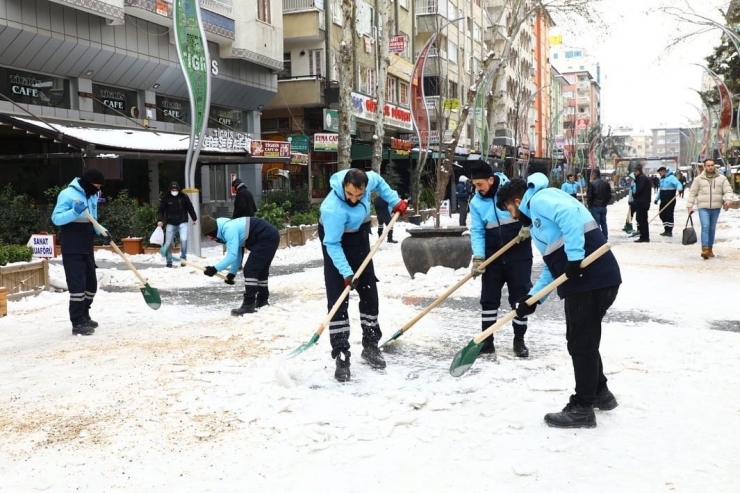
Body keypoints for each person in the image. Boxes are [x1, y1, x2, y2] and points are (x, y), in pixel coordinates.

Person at [496, 174, 622, 429]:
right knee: (583, 339)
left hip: (591, 278)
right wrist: (533, 299)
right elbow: (552, 267)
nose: (512, 216)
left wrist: (575, 256)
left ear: (518, 201)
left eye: (510, 209)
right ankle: (600, 393)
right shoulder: (538, 222)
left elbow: (569, 216)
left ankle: (583, 408)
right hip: (591, 280)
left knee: (581, 343)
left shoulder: (541, 199)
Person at [319, 168, 406, 382]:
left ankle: (370, 345)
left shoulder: (370, 180)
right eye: (350, 194)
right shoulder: (333, 209)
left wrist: (394, 201)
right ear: (343, 187)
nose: (354, 199)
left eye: (359, 195)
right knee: (338, 299)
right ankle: (341, 354)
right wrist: (346, 273)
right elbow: (332, 244)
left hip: (359, 237)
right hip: (335, 243)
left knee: (369, 294)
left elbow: (382, 184)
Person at [469, 163, 533, 358]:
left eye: (480, 184)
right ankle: (487, 341)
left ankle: (519, 340)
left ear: (490, 179)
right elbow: (477, 231)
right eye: (474, 185)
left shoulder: (510, 191)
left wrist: (527, 224)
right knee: (489, 300)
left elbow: (531, 206)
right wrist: (479, 257)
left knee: (520, 299)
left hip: (518, 253)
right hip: (492, 256)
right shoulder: (476, 203)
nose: (477, 188)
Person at [51, 169, 110, 336]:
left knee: (91, 284)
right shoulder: (67, 194)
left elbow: (93, 221)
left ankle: (85, 313)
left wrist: (102, 232)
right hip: (72, 245)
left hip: (86, 244)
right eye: (97, 186)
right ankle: (77, 322)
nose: (98, 190)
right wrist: (74, 211)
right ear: (88, 182)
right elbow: (56, 218)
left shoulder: (91, 196)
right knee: (77, 286)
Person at [201, 215, 280, 314]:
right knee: (260, 271)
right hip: (270, 236)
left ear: (213, 231)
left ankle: (249, 304)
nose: (209, 239)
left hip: (265, 237)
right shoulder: (227, 227)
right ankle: (262, 301)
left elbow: (232, 255)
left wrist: (215, 269)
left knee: (250, 270)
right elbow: (237, 254)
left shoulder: (228, 229)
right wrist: (231, 274)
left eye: (208, 236)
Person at [686, 158, 735, 259]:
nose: (710, 167)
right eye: (708, 165)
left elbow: (728, 190)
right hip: (703, 207)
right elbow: (692, 193)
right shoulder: (698, 179)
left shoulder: (722, 178)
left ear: (714, 166)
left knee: (712, 228)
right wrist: (689, 206)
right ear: (704, 167)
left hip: (716, 207)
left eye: (712, 165)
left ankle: (710, 249)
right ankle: (704, 249)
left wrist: (728, 199)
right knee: (705, 226)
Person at [157, 181, 197, 268]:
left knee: (184, 239)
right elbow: (161, 210)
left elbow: (190, 207)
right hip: (171, 222)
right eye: (172, 189)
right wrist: (160, 220)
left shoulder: (183, 197)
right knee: (168, 242)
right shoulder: (166, 198)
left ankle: (183, 258)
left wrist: (194, 218)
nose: (174, 191)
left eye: (175, 189)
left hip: (183, 222)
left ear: (178, 189)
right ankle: (169, 261)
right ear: (170, 190)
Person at [653, 166, 683, 237]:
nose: (660, 175)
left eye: (660, 173)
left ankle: (669, 231)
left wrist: (680, 189)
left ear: (664, 172)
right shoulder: (662, 179)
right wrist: (657, 199)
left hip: (670, 199)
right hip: (663, 199)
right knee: (662, 214)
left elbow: (678, 184)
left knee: (669, 214)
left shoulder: (672, 178)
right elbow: (661, 190)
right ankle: (666, 229)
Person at [586, 168, 612, 241]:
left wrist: (589, 205)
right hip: (603, 206)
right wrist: (605, 203)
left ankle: (598, 239)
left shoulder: (592, 183)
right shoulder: (606, 183)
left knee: (596, 223)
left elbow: (590, 196)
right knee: (603, 222)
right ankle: (605, 237)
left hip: (595, 206)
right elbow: (609, 195)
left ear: (594, 174)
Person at [631, 164, 652, 243]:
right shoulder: (642, 178)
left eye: (635, 171)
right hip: (644, 202)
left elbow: (639, 190)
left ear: (638, 171)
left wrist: (634, 195)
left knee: (642, 220)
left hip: (642, 202)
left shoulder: (641, 178)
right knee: (642, 219)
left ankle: (644, 237)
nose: (634, 173)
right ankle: (644, 236)